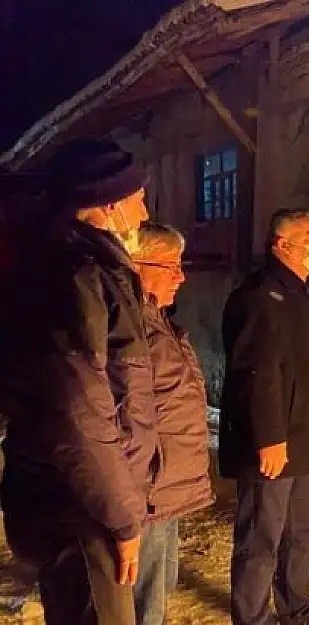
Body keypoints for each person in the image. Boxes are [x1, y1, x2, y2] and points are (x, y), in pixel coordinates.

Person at [0, 138, 157, 625]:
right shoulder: (75, 276)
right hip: (81, 507)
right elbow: (81, 411)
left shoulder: (88, 268)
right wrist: (121, 514)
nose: (146, 209)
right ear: (110, 206)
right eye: (139, 198)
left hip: (79, 495)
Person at [219, 210, 309, 625]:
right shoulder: (259, 296)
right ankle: (252, 616)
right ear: (282, 245)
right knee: (262, 536)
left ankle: (296, 606)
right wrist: (269, 436)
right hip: (279, 442)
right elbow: (256, 373)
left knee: (304, 531)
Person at [132, 223, 215, 625]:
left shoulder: (159, 321)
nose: (181, 276)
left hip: (168, 485)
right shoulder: (128, 328)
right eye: (170, 266)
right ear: (134, 264)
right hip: (145, 489)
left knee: (160, 588)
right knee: (141, 600)